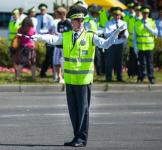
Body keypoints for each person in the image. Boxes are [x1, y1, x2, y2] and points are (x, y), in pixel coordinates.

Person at [32, 5, 125, 147]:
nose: (80, 22)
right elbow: (53, 39)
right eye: (77, 20)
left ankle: (81, 139)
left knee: (83, 111)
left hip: (83, 80)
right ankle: (77, 137)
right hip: (70, 80)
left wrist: (115, 34)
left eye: (82, 20)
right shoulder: (67, 36)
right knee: (73, 111)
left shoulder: (90, 36)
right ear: (72, 22)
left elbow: (105, 45)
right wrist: (39, 37)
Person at [134, 5, 158, 84]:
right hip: (140, 47)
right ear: (142, 13)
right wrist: (135, 48)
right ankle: (141, 77)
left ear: (148, 13)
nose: (145, 14)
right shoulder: (137, 23)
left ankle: (151, 77)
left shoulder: (151, 22)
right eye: (144, 13)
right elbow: (135, 36)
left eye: (147, 13)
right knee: (141, 63)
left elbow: (156, 33)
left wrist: (148, 28)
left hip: (149, 46)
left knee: (149, 63)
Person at [104, 7, 128, 82]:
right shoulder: (108, 23)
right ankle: (108, 77)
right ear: (113, 15)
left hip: (120, 44)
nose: (117, 16)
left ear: (120, 15)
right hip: (111, 44)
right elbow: (105, 34)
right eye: (115, 15)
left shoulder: (123, 23)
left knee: (119, 61)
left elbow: (126, 33)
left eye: (118, 15)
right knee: (109, 61)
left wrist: (125, 35)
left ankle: (119, 77)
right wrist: (114, 32)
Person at [52, 7, 72, 83]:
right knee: (56, 61)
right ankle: (59, 77)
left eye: (57, 14)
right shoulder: (59, 23)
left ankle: (65, 77)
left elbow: (70, 33)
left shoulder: (69, 22)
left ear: (62, 14)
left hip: (65, 46)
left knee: (65, 62)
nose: (56, 15)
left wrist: (61, 34)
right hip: (58, 45)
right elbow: (58, 33)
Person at [84, 4, 104, 75]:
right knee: (92, 58)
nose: (99, 13)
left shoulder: (93, 20)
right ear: (93, 12)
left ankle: (98, 72)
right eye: (97, 12)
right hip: (89, 43)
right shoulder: (87, 20)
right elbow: (87, 31)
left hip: (94, 42)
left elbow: (95, 29)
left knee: (97, 57)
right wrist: (101, 32)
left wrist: (103, 31)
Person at [36, 3, 54, 77]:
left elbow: (51, 28)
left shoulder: (49, 17)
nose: (42, 11)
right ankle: (42, 71)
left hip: (46, 37)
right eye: (41, 9)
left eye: (43, 9)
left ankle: (44, 72)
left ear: (46, 10)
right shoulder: (37, 17)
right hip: (38, 37)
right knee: (40, 55)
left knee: (48, 55)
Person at [127, 3, 142, 78]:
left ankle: (140, 74)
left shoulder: (143, 20)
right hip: (132, 44)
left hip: (141, 44)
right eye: (136, 10)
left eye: (139, 10)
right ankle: (131, 74)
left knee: (141, 60)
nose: (138, 11)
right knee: (132, 60)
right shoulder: (131, 19)